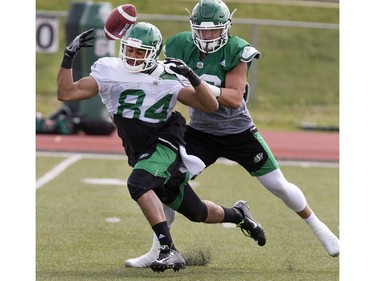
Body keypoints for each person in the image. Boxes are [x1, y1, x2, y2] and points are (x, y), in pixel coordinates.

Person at [125, 0, 339, 268]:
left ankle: (318, 226)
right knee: (167, 181)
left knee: (278, 185)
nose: (206, 36)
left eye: (213, 31)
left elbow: (235, 98)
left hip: (238, 131)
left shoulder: (238, 50)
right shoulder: (179, 45)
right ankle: (161, 249)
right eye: (201, 31)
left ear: (225, 29)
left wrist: (194, 79)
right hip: (201, 132)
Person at [57, 21, 267, 273]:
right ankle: (240, 215)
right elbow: (66, 93)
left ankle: (168, 249)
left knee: (138, 183)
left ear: (154, 53)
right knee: (196, 211)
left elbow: (210, 106)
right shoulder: (108, 69)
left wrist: (193, 78)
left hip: (164, 139)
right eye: (130, 49)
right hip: (138, 148)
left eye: (140, 52)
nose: (132, 57)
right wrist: (68, 57)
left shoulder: (167, 75)